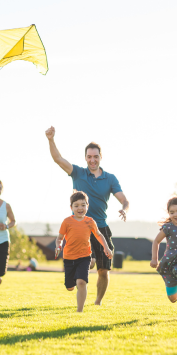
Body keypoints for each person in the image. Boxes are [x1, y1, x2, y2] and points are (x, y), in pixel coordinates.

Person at [45, 126, 129, 306]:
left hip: (100, 228)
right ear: (85, 158)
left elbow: (124, 200)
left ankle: (97, 302)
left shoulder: (110, 178)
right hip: (78, 227)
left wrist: (124, 209)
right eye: (89, 156)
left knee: (104, 270)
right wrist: (51, 139)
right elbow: (57, 159)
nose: (92, 160)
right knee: (87, 264)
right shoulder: (78, 173)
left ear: (100, 157)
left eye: (95, 156)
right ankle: (79, 278)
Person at [55, 191, 113, 312]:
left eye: (83, 205)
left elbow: (99, 235)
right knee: (70, 287)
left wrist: (106, 247)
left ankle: (79, 311)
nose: (80, 208)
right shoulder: (67, 222)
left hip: (84, 256)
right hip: (69, 257)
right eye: (76, 205)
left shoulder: (90, 221)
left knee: (81, 282)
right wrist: (58, 246)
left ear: (87, 206)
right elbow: (59, 238)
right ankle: (74, 281)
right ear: (71, 208)